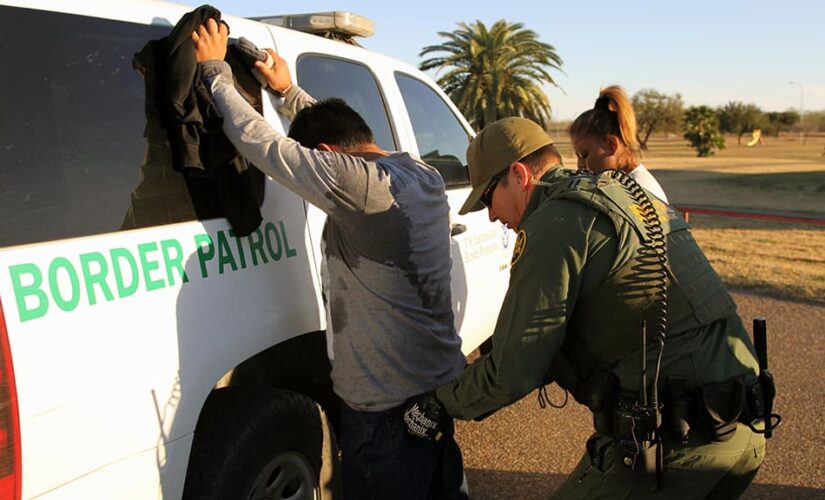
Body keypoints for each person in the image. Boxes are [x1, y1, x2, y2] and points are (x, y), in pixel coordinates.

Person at [403, 116, 771, 498]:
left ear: (518, 174)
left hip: (680, 444)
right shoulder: (620, 193)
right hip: (741, 428)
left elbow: (514, 370)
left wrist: (438, 404)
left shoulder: (553, 224)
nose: (492, 215)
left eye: (488, 196)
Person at [191, 19, 467, 499]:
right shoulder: (417, 172)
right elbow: (341, 136)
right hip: (435, 394)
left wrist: (215, 71)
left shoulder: (361, 189)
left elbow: (263, 144)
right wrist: (289, 92)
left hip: (385, 412)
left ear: (325, 156)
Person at [569, 85, 669, 202]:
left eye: (584, 154)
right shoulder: (616, 183)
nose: (579, 165)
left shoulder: (638, 191)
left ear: (611, 145)